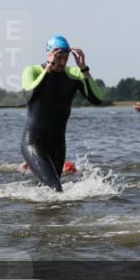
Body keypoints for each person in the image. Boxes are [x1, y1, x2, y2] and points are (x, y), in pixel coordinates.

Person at [20, 35, 104, 191]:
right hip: (33, 142)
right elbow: (30, 96)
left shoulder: (73, 74)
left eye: (65, 58)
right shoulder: (32, 71)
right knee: (56, 189)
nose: (62, 62)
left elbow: (97, 99)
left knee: (48, 190)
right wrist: (48, 68)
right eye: (58, 57)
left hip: (58, 144)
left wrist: (84, 69)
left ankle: (45, 215)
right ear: (49, 55)